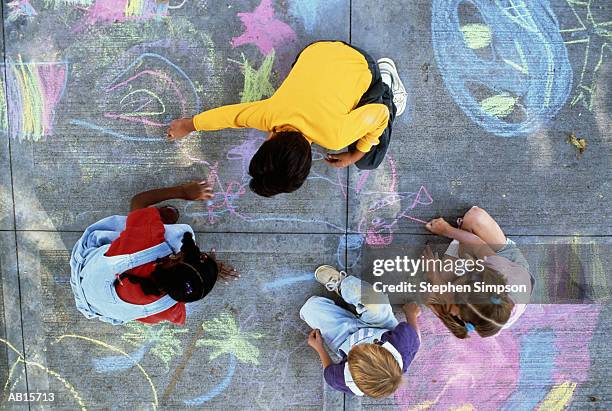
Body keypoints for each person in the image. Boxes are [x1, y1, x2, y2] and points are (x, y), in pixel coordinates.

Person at [167, 40, 408, 197]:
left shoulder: (335, 135)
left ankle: (386, 83)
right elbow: (229, 116)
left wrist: (356, 153)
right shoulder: (269, 114)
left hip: (362, 63)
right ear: (268, 141)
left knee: (369, 159)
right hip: (317, 49)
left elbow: (381, 115)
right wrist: (189, 125)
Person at [70, 181, 239, 325]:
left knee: (179, 236)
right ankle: (147, 220)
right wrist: (207, 275)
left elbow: (139, 201)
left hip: (86, 271)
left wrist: (183, 192)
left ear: (175, 259)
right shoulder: (169, 308)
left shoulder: (142, 247)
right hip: (94, 306)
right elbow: (185, 294)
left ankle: (151, 219)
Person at [300, 266, 420, 398]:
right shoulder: (403, 347)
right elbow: (414, 336)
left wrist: (319, 348)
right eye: (367, 347)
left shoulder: (347, 381)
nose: (358, 346)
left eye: (354, 354)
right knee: (377, 302)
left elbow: (329, 370)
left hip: (344, 339)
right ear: (381, 348)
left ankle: (340, 310)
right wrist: (411, 314)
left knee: (309, 309)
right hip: (380, 326)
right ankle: (342, 284)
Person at [424, 206, 534, 338]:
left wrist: (434, 276)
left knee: (436, 286)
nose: (454, 314)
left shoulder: (486, 322)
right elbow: (476, 242)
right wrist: (446, 229)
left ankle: (464, 247)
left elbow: (438, 300)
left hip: (488, 275)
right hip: (506, 258)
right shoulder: (501, 272)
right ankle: (464, 246)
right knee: (474, 217)